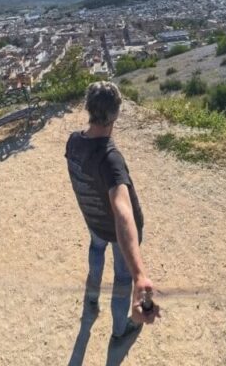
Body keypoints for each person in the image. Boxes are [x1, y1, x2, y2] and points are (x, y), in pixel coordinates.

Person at [65, 81, 158, 342]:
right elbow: (122, 211)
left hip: (93, 222)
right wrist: (139, 274)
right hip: (115, 231)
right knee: (122, 279)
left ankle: (91, 300)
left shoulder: (73, 141)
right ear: (116, 114)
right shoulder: (111, 158)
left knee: (95, 252)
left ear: (88, 108)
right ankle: (119, 330)